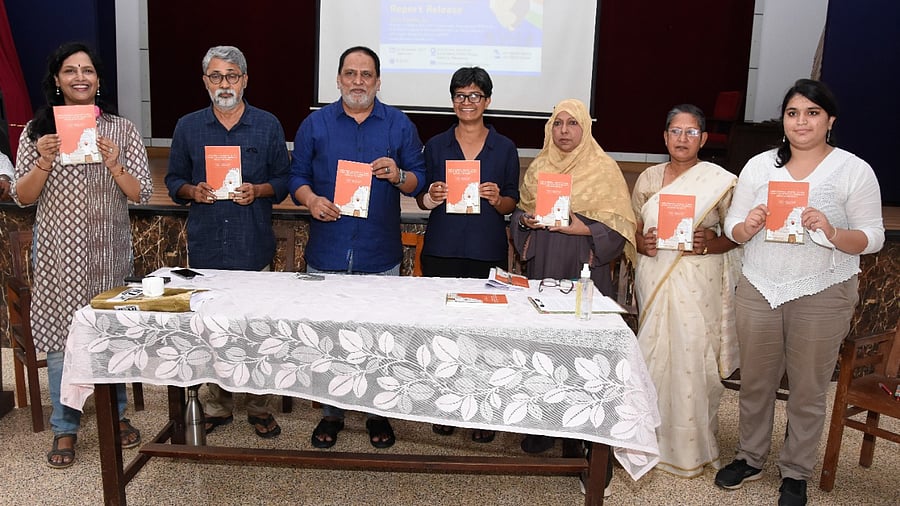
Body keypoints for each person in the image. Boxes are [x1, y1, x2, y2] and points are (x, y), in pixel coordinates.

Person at [715, 79, 884, 506]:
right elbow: (732, 227)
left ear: (830, 120)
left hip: (823, 289)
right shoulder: (758, 166)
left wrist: (830, 230)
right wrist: (746, 225)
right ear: (783, 121)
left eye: (811, 112)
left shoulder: (853, 169)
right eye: (793, 113)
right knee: (755, 382)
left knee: (808, 388)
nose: (801, 121)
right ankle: (750, 457)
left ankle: (795, 471)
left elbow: (873, 237)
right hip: (760, 285)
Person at [11, 42, 153, 468]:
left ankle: (118, 414)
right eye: (69, 71)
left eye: (87, 70)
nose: (79, 77)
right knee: (61, 341)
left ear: (98, 80)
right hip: (58, 255)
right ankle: (65, 427)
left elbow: (141, 192)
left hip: (109, 253)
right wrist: (43, 162)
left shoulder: (121, 130)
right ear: (56, 79)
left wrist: (115, 166)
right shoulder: (37, 133)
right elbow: (21, 197)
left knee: (110, 335)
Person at [289, 46, 426, 449]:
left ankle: (377, 412)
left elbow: (418, 179)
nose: (358, 81)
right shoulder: (316, 125)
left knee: (378, 338)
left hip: (378, 252)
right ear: (338, 79)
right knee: (328, 338)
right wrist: (311, 200)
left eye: (366, 74)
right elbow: (296, 177)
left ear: (378, 82)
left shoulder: (399, 125)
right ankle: (331, 414)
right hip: (327, 250)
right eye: (350, 73)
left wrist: (399, 174)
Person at [509, 98, 637, 496]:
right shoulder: (540, 168)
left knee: (587, 356)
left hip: (587, 274)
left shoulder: (604, 169)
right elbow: (519, 216)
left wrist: (579, 229)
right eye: (558, 123)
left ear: (585, 129)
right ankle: (547, 425)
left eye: (572, 123)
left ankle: (590, 444)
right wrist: (527, 221)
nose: (564, 130)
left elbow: (620, 227)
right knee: (545, 349)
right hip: (544, 267)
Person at [165, 46, 290, 439]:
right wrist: (192, 191)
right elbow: (172, 182)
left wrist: (260, 190)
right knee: (213, 331)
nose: (224, 84)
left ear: (245, 79)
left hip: (253, 247)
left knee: (256, 332)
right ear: (205, 82)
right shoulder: (188, 126)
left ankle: (258, 406)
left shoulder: (267, 125)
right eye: (216, 76)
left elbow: (285, 182)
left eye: (232, 76)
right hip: (207, 251)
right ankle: (218, 404)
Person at [631, 104, 741, 478]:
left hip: (699, 281)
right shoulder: (647, 178)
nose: (682, 138)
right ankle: (646, 439)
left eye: (691, 132)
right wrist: (640, 243)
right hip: (655, 276)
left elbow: (735, 237)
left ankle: (693, 447)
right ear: (664, 137)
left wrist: (711, 241)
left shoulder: (720, 181)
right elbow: (635, 227)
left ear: (704, 139)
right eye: (675, 131)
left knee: (694, 358)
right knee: (653, 354)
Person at [416, 66, 520, 443]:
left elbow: (512, 200)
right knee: (445, 331)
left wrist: (497, 199)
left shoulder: (505, 147)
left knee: (484, 333)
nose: (467, 102)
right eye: (460, 96)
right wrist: (432, 196)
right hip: (443, 248)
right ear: (453, 101)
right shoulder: (437, 144)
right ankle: (446, 403)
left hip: (485, 251)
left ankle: (484, 410)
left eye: (475, 96)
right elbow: (421, 198)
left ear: (487, 101)